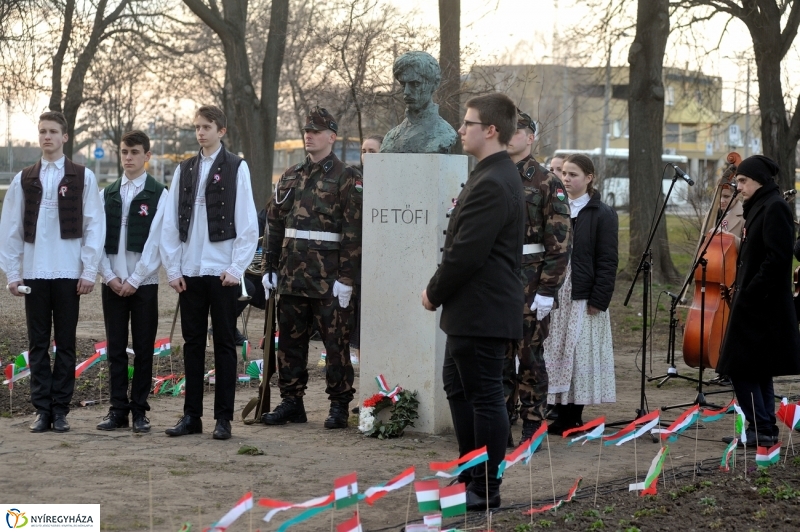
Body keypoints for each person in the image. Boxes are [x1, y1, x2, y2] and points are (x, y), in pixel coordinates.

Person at [422, 93, 524, 510]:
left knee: (484, 396)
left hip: (481, 310)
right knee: (458, 387)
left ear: (491, 130)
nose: (461, 129)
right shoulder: (490, 174)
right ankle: (470, 474)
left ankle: (486, 487)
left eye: (468, 123)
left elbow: (467, 251)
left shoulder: (495, 180)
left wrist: (433, 291)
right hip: (472, 311)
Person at [0, 110, 105, 433]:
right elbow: (11, 229)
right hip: (34, 272)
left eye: (53, 131)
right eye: (42, 131)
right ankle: (41, 409)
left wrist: (89, 271)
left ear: (65, 137)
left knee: (67, 343)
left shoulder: (82, 176)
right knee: (38, 343)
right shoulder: (24, 178)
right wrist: (12, 274)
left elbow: (94, 226)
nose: (47, 136)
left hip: (68, 272)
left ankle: (61, 410)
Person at [161, 105, 259, 440]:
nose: (200, 132)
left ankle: (223, 419)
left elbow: (248, 223)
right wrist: (173, 268)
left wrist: (236, 267)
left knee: (225, 345)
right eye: (197, 127)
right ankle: (191, 417)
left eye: (207, 127)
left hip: (221, 272)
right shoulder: (184, 169)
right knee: (191, 345)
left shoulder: (236, 167)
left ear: (222, 130)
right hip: (190, 270)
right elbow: (171, 224)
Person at [262, 106, 362, 429]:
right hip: (292, 275)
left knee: (336, 344)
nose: (309, 135)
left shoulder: (347, 178)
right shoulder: (291, 175)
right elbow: (274, 224)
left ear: (332, 137)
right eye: (307, 130)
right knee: (290, 343)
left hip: (329, 278)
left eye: (316, 131)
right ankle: (292, 401)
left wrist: (346, 278)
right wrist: (269, 267)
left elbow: (353, 233)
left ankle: (339, 405)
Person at [717, 155, 800, 447]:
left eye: (743, 181)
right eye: (737, 181)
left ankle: (761, 428)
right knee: (757, 369)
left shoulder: (775, 207)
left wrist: (750, 293)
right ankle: (762, 430)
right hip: (754, 301)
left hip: (761, 304)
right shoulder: (760, 205)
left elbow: (778, 259)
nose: (738, 187)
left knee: (739, 368)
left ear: (760, 181)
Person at [502, 110, 571, 447]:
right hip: (496, 281)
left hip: (530, 283)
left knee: (529, 355)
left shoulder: (547, 182)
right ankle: (500, 421)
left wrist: (547, 289)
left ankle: (532, 422)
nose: (509, 135)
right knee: (497, 355)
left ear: (530, 137)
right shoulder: (491, 175)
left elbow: (558, 242)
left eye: (516, 131)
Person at [96, 130, 167, 433]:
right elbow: (96, 239)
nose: (128, 158)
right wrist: (109, 275)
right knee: (115, 348)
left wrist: (137, 277)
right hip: (112, 281)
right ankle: (117, 410)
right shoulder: (108, 192)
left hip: (144, 282)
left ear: (147, 156)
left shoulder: (158, 193)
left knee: (143, 347)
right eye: (124, 152)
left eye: (134, 152)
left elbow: (157, 241)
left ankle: (140, 410)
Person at [543, 154, 618, 435]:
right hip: (556, 288)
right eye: (563, 173)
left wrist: (599, 298)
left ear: (589, 178)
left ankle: (573, 415)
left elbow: (608, 259)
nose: (566, 178)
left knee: (579, 353)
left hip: (584, 293)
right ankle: (558, 410)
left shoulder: (602, 213)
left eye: (573, 174)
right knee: (555, 349)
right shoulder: (556, 207)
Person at [380, 51, 458, 154]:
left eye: (415, 84)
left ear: (435, 84)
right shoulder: (390, 137)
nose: (406, 92)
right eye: (403, 84)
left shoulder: (445, 134)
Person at [348, 135, 384, 358]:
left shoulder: (391, 181)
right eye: (364, 150)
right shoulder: (353, 180)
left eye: (373, 151)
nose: (366, 156)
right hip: (358, 255)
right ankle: (362, 354)